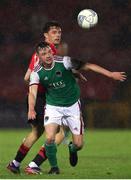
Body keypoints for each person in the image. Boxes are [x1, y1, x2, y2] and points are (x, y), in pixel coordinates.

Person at [28, 42, 126, 174]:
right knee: (50, 138)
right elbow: (32, 92)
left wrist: (110, 74)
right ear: (38, 57)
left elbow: (88, 66)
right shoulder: (36, 73)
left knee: (79, 145)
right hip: (53, 106)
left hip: (72, 106)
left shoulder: (65, 62)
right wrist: (31, 109)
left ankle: (72, 149)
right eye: (44, 54)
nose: (48, 55)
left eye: (49, 52)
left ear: (52, 52)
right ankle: (54, 168)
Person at [7, 21, 85, 175]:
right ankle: (34, 164)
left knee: (37, 132)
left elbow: (26, 77)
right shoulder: (49, 53)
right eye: (54, 32)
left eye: (59, 32)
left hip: (39, 97)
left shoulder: (38, 52)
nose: (58, 35)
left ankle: (15, 163)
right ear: (46, 35)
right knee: (60, 134)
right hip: (46, 98)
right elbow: (35, 76)